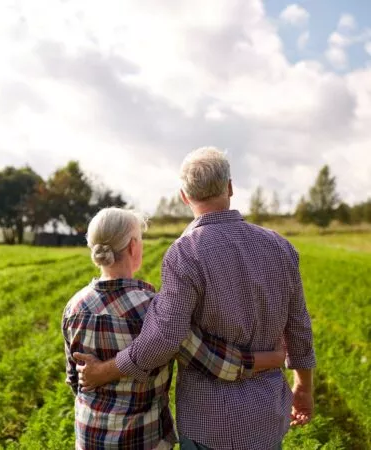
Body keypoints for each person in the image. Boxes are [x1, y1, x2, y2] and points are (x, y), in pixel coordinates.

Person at [75, 148, 316, 450]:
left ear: (184, 197)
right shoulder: (280, 246)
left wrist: (102, 372)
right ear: (229, 187)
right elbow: (299, 328)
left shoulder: (185, 252)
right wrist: (303, 387)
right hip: (268, 414)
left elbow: (164, 338)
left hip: (209, 421)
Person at [63, 207, 285, 450]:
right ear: (132, 247)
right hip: (143, 438)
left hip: (89, 437)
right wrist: (268, 358)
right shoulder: (154, 308)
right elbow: (213, 360)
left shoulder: (74, 307)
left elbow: (75, 379)